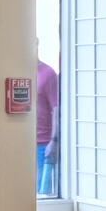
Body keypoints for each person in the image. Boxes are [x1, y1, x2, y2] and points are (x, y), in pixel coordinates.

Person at [34, 60, 60, 195]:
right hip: (23, 145)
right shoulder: (18, 71)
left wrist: (54, 140)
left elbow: (56, 109)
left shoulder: (48, 74)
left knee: (41, 194)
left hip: (43, 144)